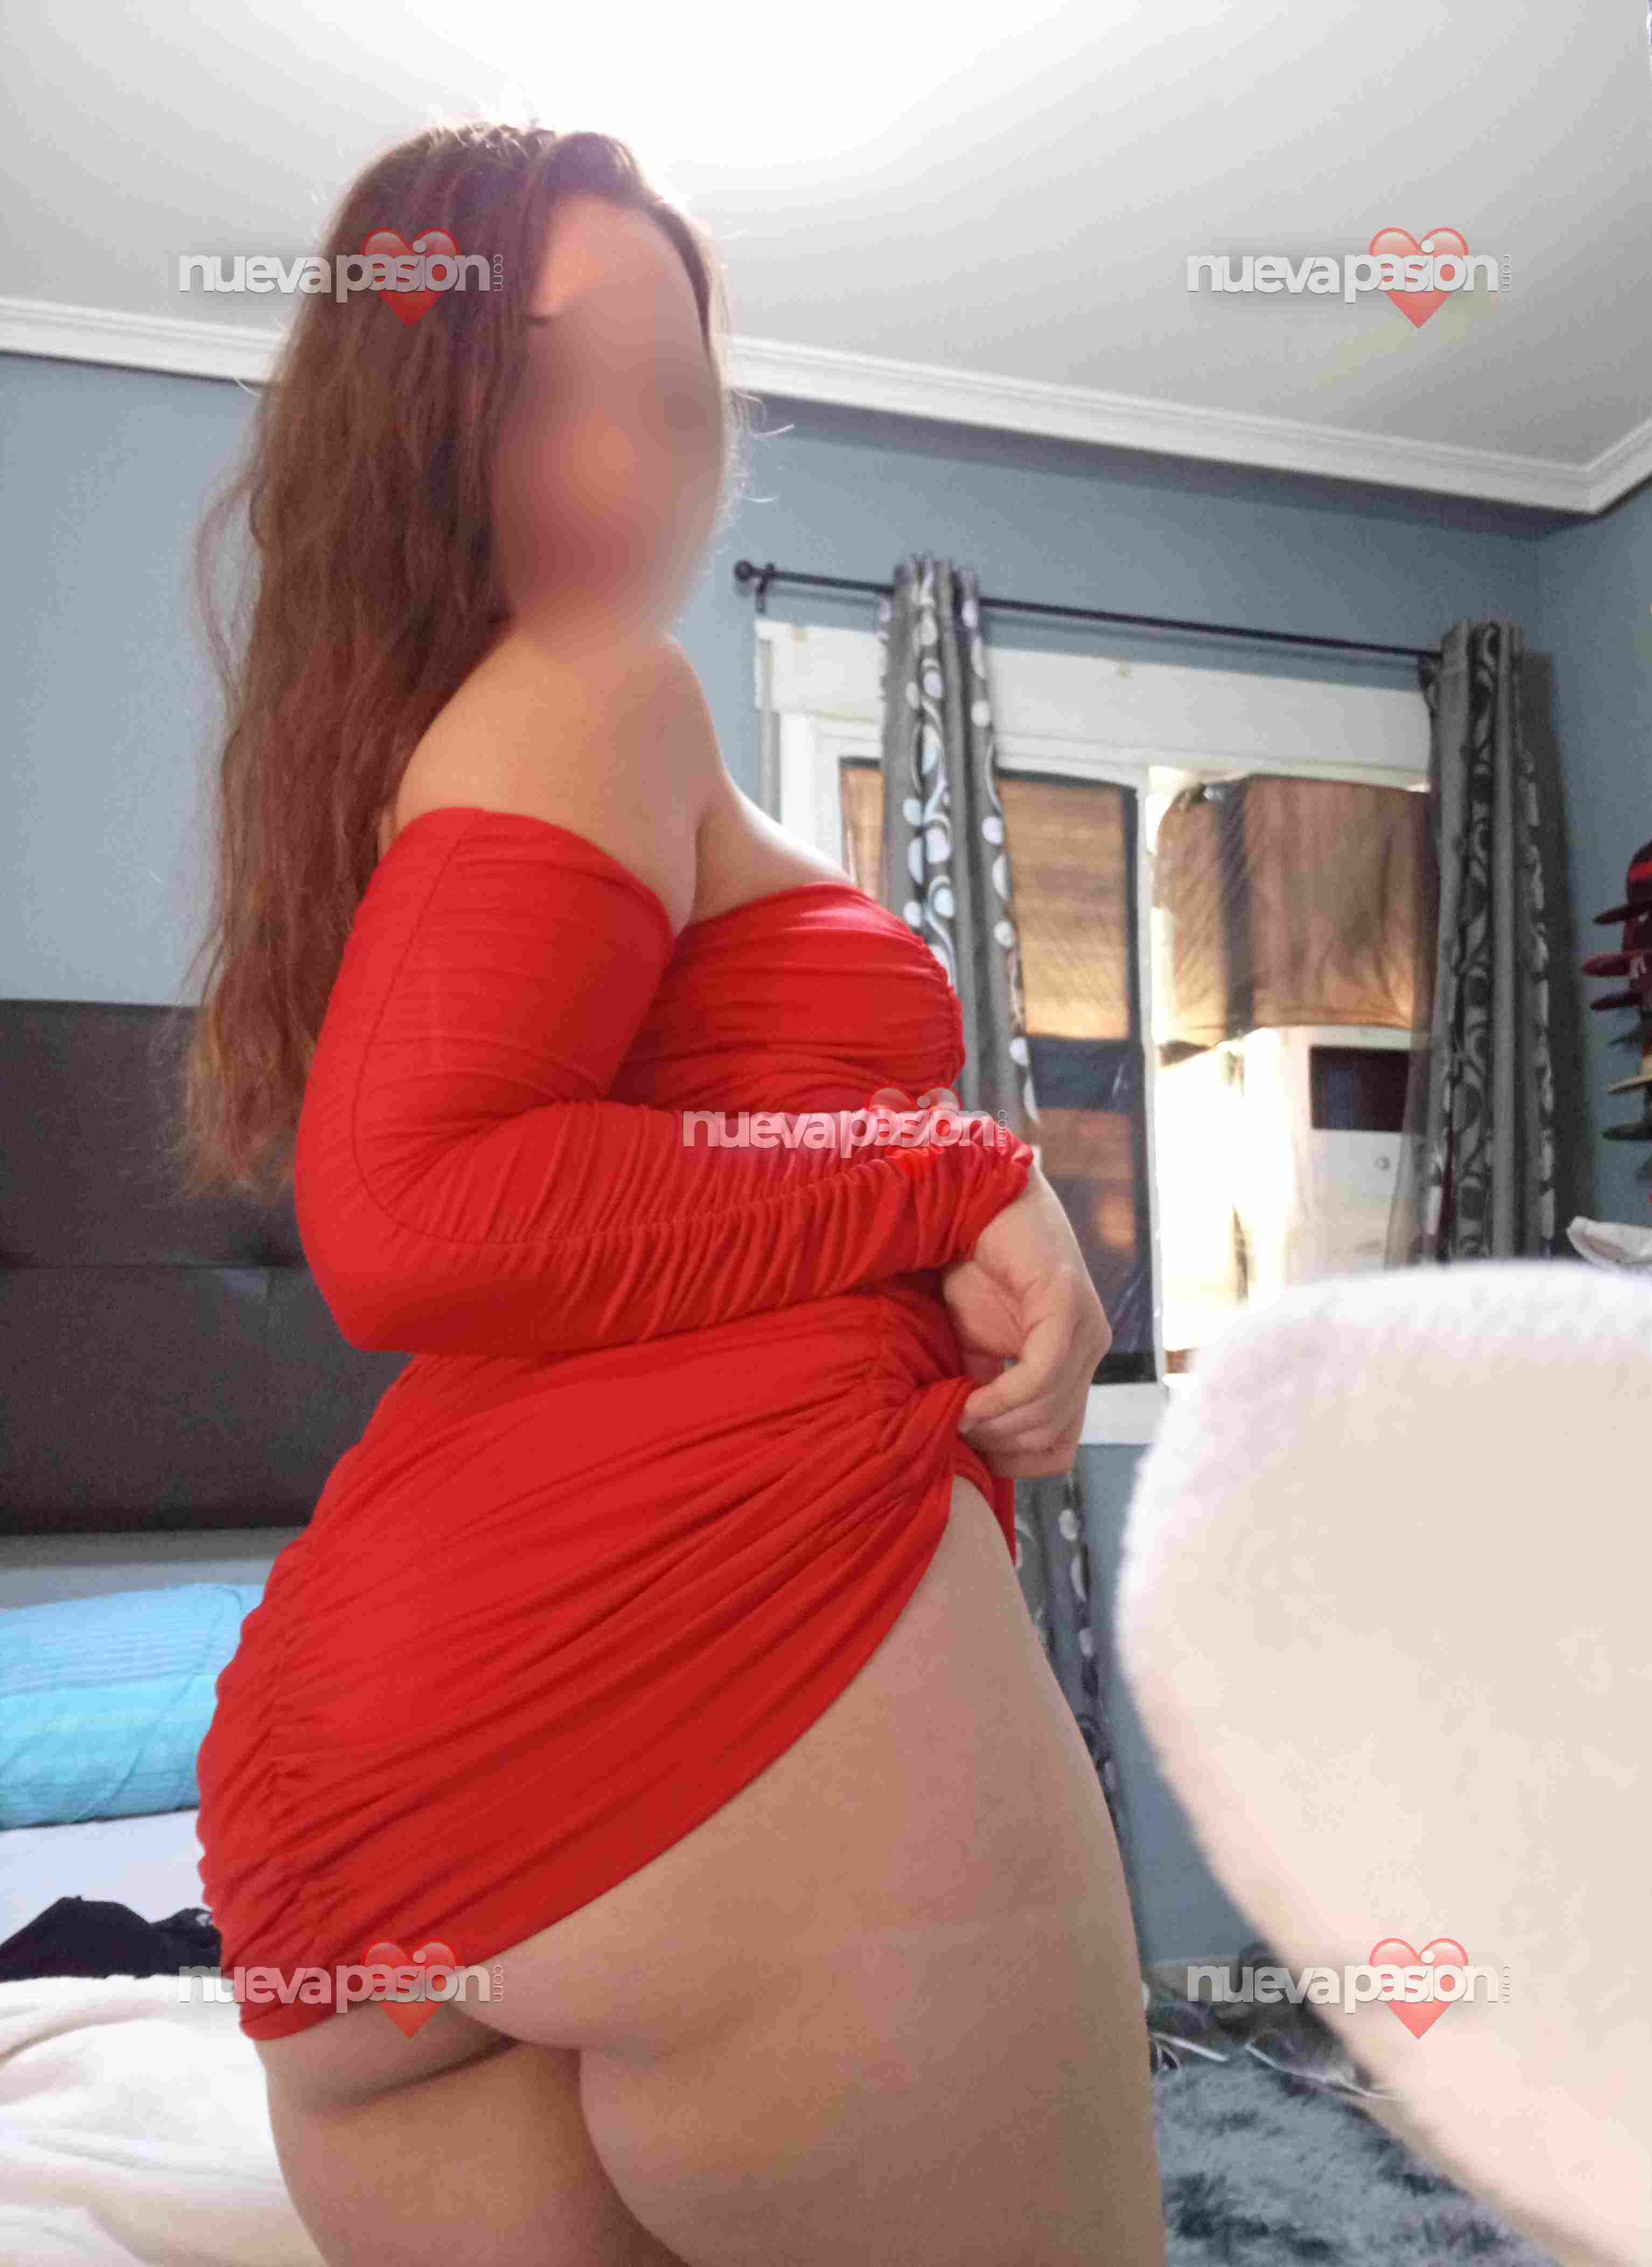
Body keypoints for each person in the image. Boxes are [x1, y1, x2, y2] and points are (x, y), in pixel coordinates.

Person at [184, 122, 1167, 2267]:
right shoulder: (588, 695)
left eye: (681, 403)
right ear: (413, 409)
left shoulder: (451, 740)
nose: (632, 466)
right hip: (711, 1675)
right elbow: (418, 1211)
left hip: (370, 1803)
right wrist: (952, 1166)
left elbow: (579, 1206)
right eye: (550, 388)